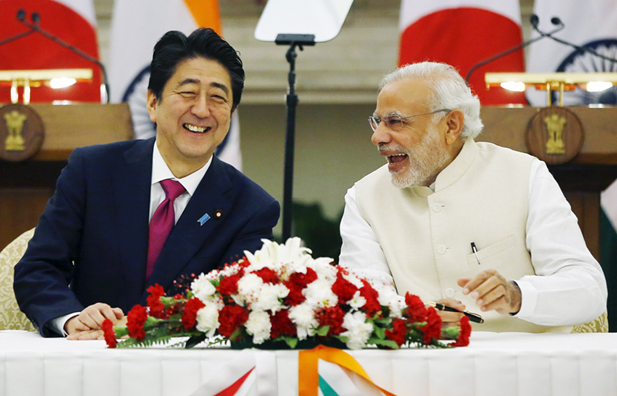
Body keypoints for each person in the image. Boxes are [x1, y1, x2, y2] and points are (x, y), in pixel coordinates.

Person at [14, 28, 280, 339]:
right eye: (188, 93)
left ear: (230, 114)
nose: (202, 110)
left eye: (218, 98)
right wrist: (72, 318)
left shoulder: (251, 208)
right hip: (87, 360)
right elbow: (38, 268)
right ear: (152, 103)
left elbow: (236, 305)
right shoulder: (92, 170)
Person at [339, 61, 607, 332]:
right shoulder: (364, 198)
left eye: (395, 122)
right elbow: (360, 299)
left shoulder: (523, 174)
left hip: (524, 364)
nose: (379, 137)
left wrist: (517, 295)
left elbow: (588, 288)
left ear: (451, 125)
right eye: (377, 122)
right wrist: (415, 319)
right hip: (419, 364)